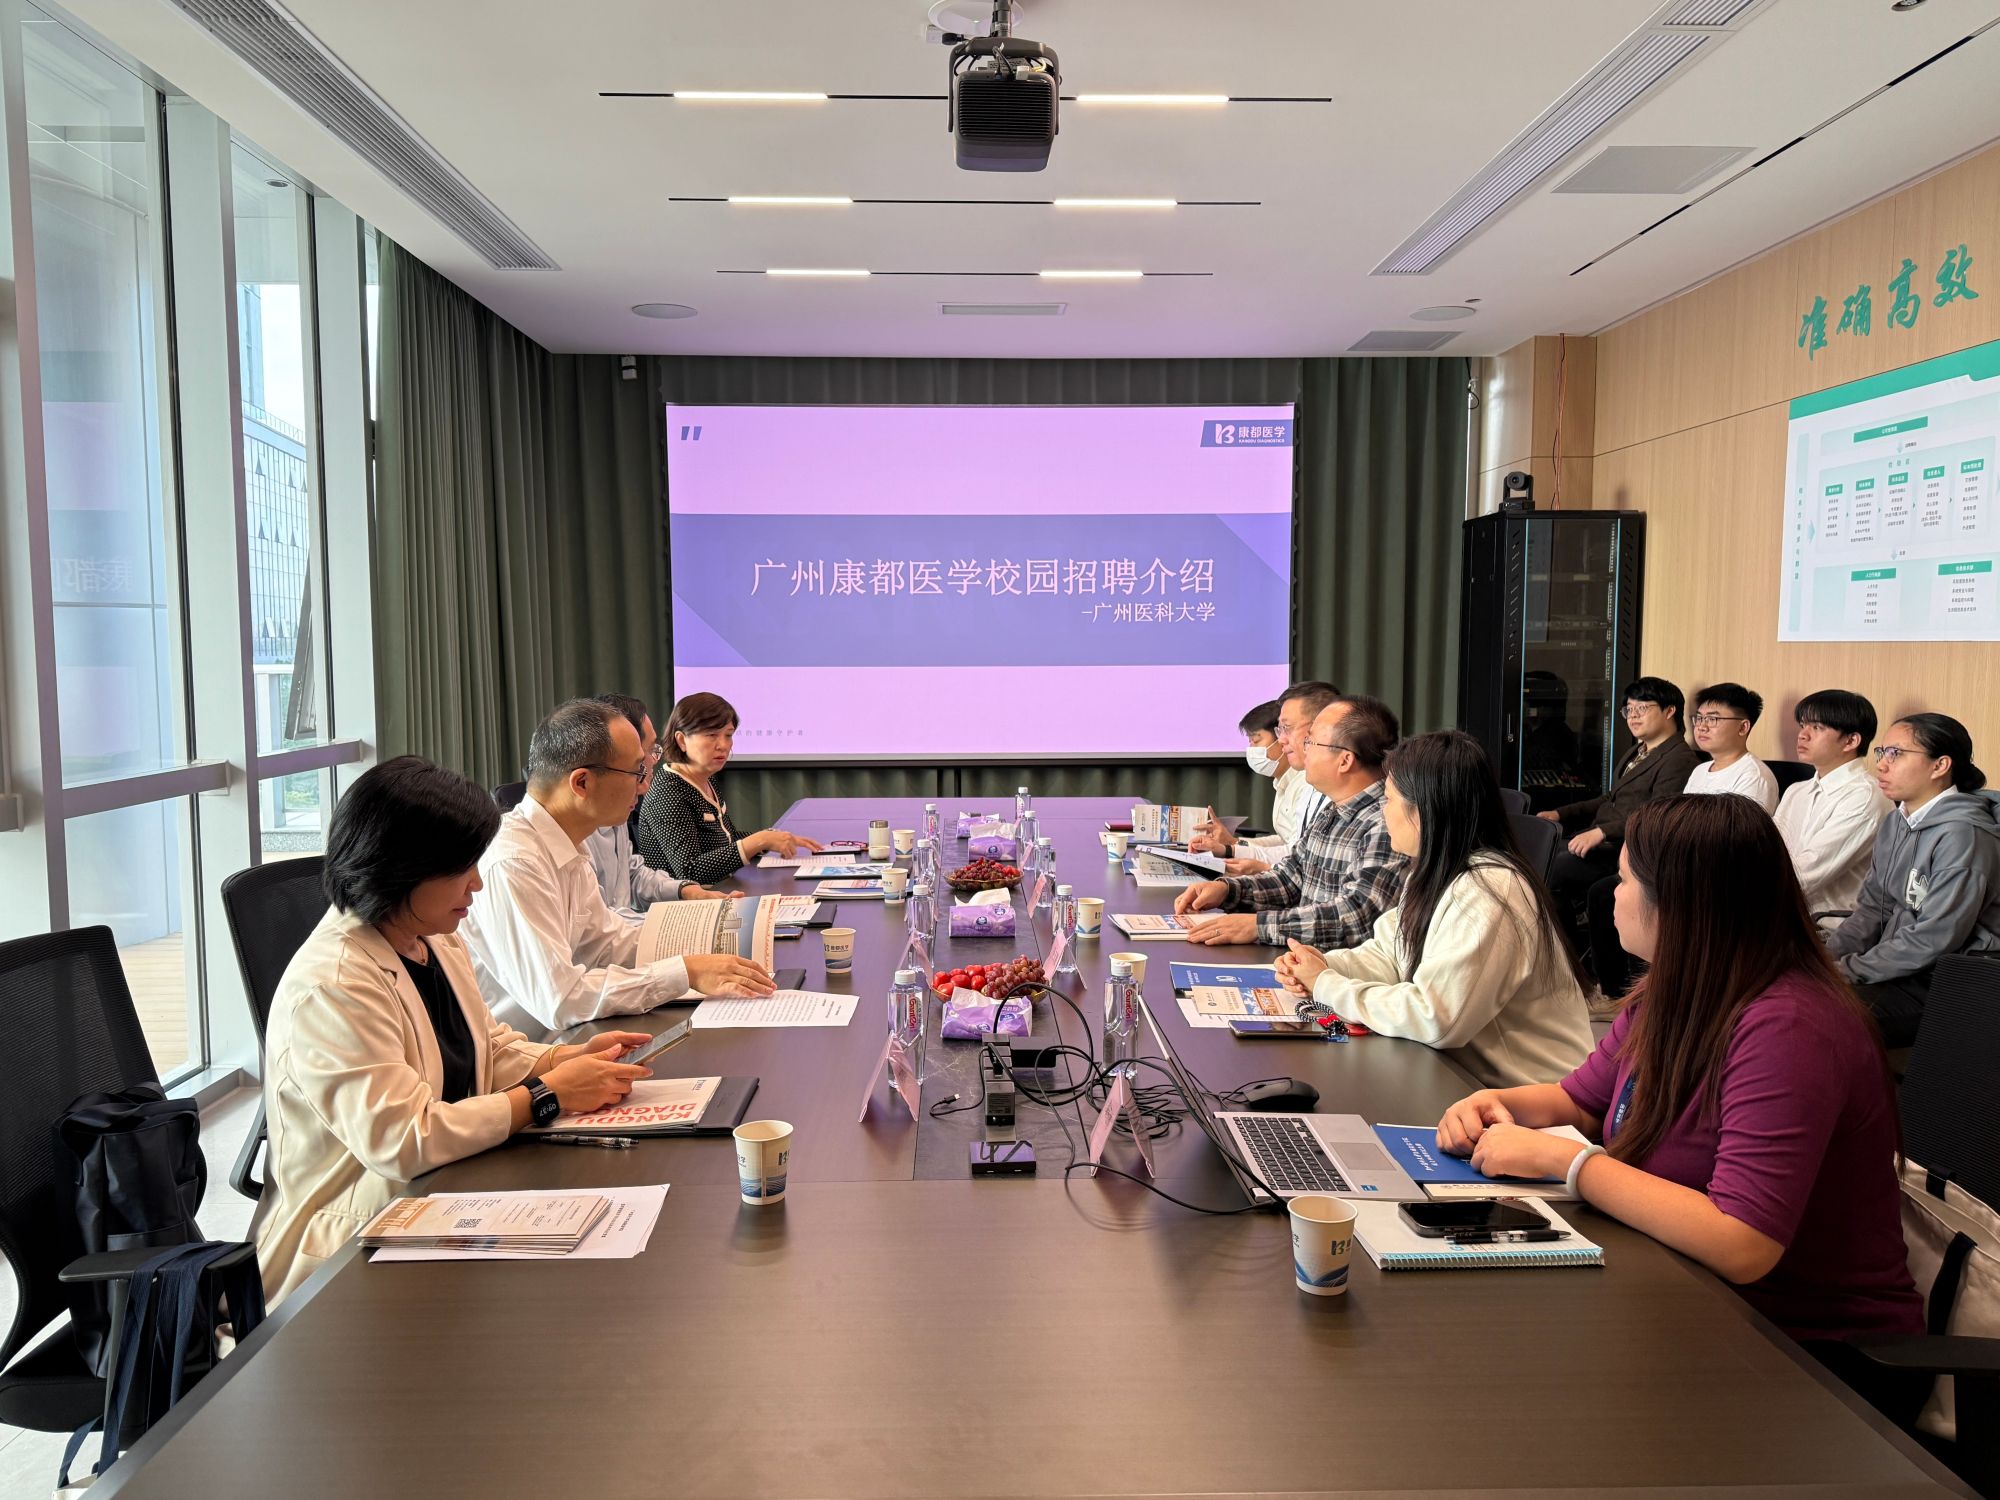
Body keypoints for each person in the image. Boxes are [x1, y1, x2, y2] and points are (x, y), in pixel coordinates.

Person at [1434, 794, 1923, 1420]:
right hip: (1687, 1296)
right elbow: (1581, 1101)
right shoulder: (1678, 988)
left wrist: (1567, 1164)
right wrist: (1494, 1101)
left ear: (1682, 904)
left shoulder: (1791, 1028)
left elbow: (1743, 1242)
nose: (1612, 894)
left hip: (1808, 1358)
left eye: (1627, 879)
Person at [253, 756, 657, 1305]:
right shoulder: (333, 983)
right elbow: (404, 1139)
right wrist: (545, 1095)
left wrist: (559, 1061)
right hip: (349, 1254)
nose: (477, 883)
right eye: (460, 868)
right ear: (401, 869)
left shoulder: (432, 935)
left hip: (446, 1197)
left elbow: (486, 1045)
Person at [1274, 731, 1591, 1088]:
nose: (1383, 812)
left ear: (1424, 810)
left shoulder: (1489, 890)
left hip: (1528, 1096)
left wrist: (1326, 985)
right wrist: (1326, 965)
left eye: (1388, 800)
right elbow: (1392, 955)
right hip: (1462, 1076)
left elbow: (1435, 1018)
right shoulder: (1435, 870)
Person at [462, 698, 775, 1035]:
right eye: (637, 770)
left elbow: (606, 944)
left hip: (574, 1036)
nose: (645, 784)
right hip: (535, 1047)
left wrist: (711, 946)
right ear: (582, 783)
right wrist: (685, 972)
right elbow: (563, 999)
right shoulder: (515, 862)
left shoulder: (568, 843)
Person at [1173, 694, 1406, 948]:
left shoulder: (1385, 821)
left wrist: (1257, 926)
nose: (1304, 750)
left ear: (1345, 760)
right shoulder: (1332, 811)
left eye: (1311, 742)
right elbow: (1290, 879)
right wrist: (1228, 891)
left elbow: (1356, 918)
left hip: (1331, 969)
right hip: (1300, 959)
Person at [1826, 712, 2000, 1047]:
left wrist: (1847, 970)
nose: (1881, 764)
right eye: (1882, 752)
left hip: (1948, 984)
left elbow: (1935, 938)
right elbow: (1872, 909)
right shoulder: (1897, 822)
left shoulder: (1964, 835)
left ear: (1940, 766)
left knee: (1812, 1016)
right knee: (1789, 994)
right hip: (1900, 969)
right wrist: (1823, 961)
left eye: (1896, 754)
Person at [1541, 676, 1700, 964]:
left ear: (1670, 711)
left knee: (1552, 872)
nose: (1633, 716)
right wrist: (1562, 813)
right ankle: (1564, 956)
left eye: (1642, 708)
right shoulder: (1637, 751)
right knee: (1540, 858)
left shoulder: (1679, 759)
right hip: (1601, 840)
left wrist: (1603, 832)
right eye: (1629, 709)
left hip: (1625, 850)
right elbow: (1610, 798)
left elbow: (1656, 817)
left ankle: (1569, 961)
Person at [636, 691, 823, 885]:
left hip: (720, 890)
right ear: (682, 740)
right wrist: (760, 840)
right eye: (712, 735)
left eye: (728, 735)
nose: (723, 745)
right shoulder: (668, 792)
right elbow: (689, 871)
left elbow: (728, 839)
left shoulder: (706, 778)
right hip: (683, 902)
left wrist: (772, 838)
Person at [584, 692, 731, 916]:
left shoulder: (613, 809)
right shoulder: (572, 834)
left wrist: (686, 891)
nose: (654, 761)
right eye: (650, 751)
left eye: (728, 735)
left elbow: (632, 874)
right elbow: (600, 926)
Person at [1190, 681, 1338, 874]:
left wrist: (1232, 849)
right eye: (1279, 730)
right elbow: (1295, 850)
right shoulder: (1297, 783)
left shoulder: (1312, 785)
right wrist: (1233, 846)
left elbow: (1296, 859)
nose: (1282, 739)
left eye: (1287, 728)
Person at [1772, 689, 1891, 922]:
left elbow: (1805, 875)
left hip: (1830, 927)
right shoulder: (1796, 791)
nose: (1802, 735)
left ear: (1851, 741)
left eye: (1817, 727)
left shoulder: (1865, 796)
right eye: (1803, 725)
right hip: (1785, 915)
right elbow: (1767, 850)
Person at [1682, 682, 1779, 812]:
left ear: (1743, 727)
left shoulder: (1753, 777)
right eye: (1699, 718)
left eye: (1712, 719)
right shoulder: (1699, 770)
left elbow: (1740, 826)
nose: (1701, 727)